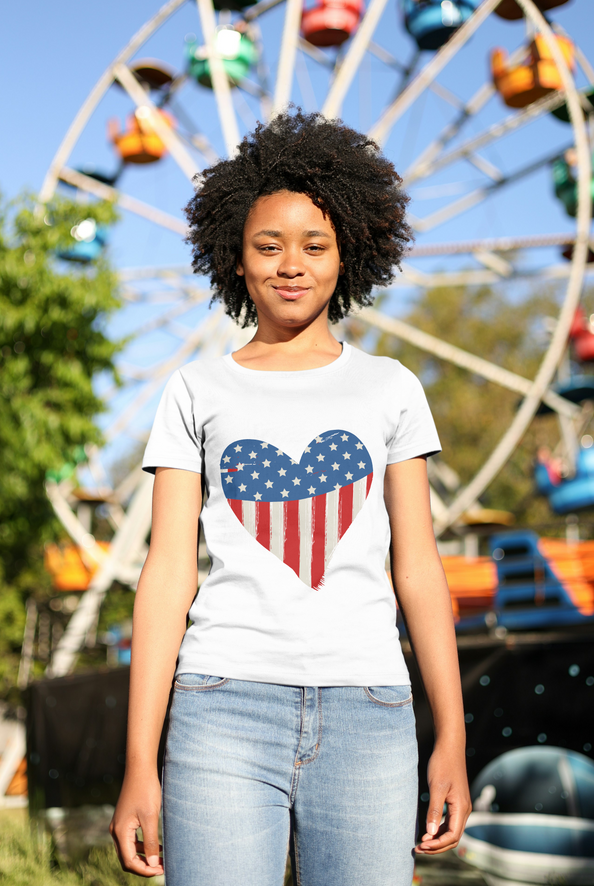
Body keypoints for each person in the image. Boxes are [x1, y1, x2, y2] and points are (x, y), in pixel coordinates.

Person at [110, 109, 470, 886]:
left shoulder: (392, 388)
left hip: (370, 710)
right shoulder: (195, 390)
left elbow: (419, 570)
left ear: (351, 254)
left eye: (314, 244)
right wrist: (140, 761)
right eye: (267, 246)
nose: (290, 264)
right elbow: (168, 575)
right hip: (220, 707)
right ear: (234, 260)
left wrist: (453, 739)